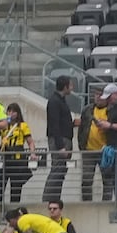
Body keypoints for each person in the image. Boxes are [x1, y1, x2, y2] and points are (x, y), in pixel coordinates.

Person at [42, 74, 77, 203]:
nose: (72, 87)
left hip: (64, 139)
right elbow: (54, 124)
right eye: (70, 85)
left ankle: (55, 199)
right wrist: (60, 146)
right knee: (57, 169)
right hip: (60, 141)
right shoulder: (54, 102)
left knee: (61, 170)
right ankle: (48, 199)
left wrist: (72, 123)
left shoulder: (61, 100)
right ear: (65, 86)